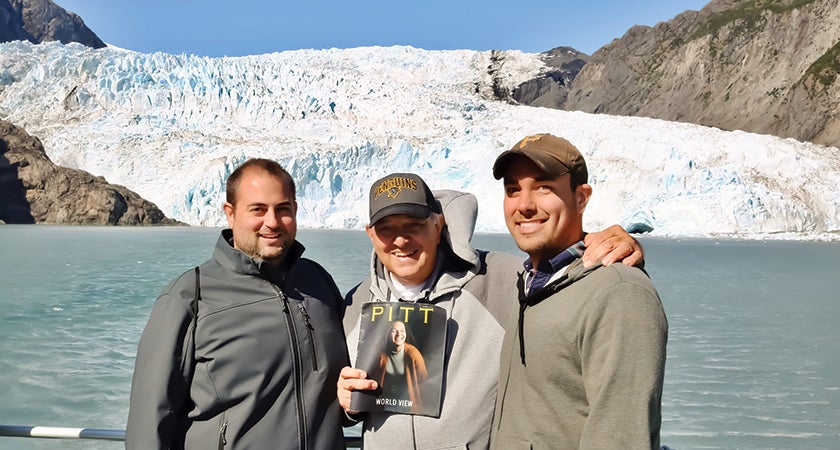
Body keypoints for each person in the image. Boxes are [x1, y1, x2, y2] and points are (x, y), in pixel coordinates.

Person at [338, 171, 644, 449]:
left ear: (438, 223)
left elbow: (573, 289)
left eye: (414, 225)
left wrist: (615, 252)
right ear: (369, 233)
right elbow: (342, 411)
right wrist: (347, 407)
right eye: (386, 229)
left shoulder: (502, 280)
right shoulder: (356, 303)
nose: (401, 240)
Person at [125, 158, 349, 449]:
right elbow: (150, 419)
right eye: (258, 209)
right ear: (230, 214)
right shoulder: (191, 296)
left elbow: (343, 392)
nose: (272, 222)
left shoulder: (317, 283)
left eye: (283, 209)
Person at [490, 133, 668, 449]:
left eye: (543, 187)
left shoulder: (618, 292)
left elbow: (621, 438)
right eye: (513, 190)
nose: (525, 205)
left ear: (581, 197)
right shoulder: (532, 282)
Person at [378, 321, 427, 412]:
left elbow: (423, 377)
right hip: (383, 405)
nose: (398, 334)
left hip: (408, 405)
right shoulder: (380, 354)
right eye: (394, 331)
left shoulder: (413, 353)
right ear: (387, 334)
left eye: (402, 330)